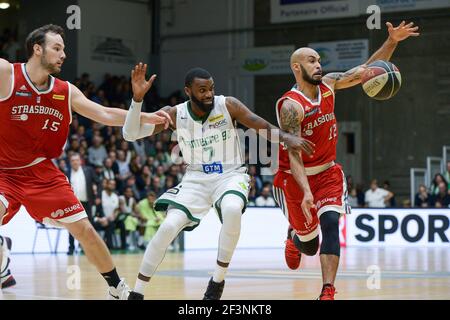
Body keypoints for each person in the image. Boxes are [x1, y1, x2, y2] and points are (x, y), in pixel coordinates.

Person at [0, 24, 171, 298]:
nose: (63, 54)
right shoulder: (7, 73)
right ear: (37, 49)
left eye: (64, 49)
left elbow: (102, 113)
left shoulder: (65, 91)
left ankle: (116, 288)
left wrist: (143, 116)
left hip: (40, 172)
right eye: (57, 48)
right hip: (2, 172)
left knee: (85, 230)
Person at [122, 64, 314, 300]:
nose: (209, 94)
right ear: (188, 91)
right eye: (202, 90)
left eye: (211, 88)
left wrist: (286, 137)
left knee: (232, 209)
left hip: (230, 174)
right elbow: (130, 134)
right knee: (168, 227)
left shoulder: (227, 105)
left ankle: (217, 281)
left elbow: (258, 124)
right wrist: (138, 99)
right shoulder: (175, 114)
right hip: (195, 179)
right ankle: (137, 293)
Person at [272, 21, 419, 300]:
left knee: (330, 223)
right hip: (296, 176)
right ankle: (294, 237)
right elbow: (293, 155)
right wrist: (305, 192)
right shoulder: (291, 106)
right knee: (309, 246)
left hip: (327, 172)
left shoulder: (329, 84)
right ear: (296, 68)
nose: (318, 64)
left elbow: (367, 71)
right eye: (311, 60)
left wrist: (392, 42)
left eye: (318, 59)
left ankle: (328, 290)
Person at [67, 153, 97, 255]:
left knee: (88, 226)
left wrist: (98, 196)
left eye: (76, 160)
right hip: (72, 204)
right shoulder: (66, 173)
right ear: (70, 163)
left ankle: (87, 247)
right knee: (71, 226)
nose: (75, 162)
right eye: (72, 160)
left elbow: (98, 181)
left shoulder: (88, 170)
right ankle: (71, 247)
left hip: (86, 202)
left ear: (80, 161)